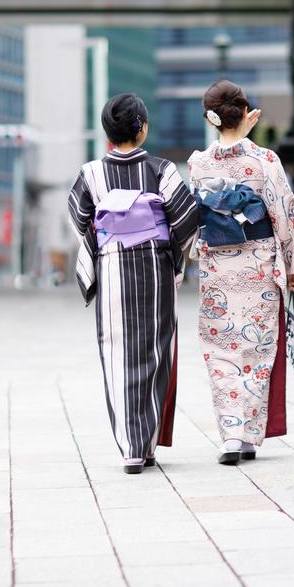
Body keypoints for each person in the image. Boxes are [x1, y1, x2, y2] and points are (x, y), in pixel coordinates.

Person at [68, 93, 199, 474]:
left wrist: (108, 238)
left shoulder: (90, 173)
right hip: (155, 266)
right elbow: (187, 218)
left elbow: (81, 219)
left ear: (108, 132)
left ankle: (131, 447)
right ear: (142, 128)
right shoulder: (162, 170)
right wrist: (169, 249)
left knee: (116, 353)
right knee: (156, 352)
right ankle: (148, 441)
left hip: (112, 267)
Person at [188, 80, 294, 465]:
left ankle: (229, 436)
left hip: (217, 267)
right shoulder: (264, 161)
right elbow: (284, 214)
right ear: (244, 113)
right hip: (258, 265)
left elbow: (194, 219)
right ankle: (248, 438)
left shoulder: (199, 164)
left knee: (221, 351)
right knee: (256, 352)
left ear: (210, 120)